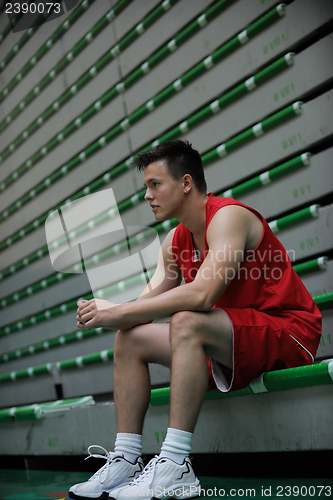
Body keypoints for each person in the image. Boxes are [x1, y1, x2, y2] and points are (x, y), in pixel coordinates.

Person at [69, 140, 321, 500]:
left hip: (287, 333)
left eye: (155, 185)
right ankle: (125, 459)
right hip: (232, 339)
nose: (147, 196)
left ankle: (175, 465)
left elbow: (202, 294)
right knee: (130, 339)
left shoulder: (229, 217)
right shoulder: (175, 240)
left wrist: (120, 311)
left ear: (186, 183)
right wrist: (108, 309)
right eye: (146, 187)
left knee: (186, 320)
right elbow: (146, 304)